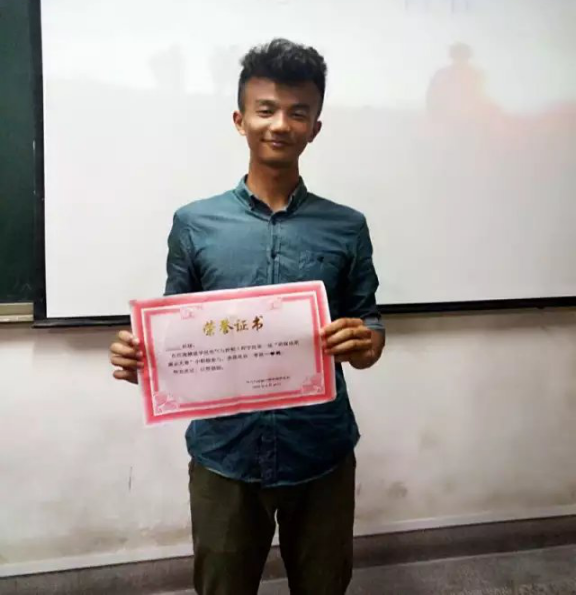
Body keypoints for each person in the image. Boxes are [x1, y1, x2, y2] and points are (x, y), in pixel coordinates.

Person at [109, 38, 385, 595]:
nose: (280, 124)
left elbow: (370, 325)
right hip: (224, 455)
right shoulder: (195, 224)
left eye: (298, 112)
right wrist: (144, 360)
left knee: (325, 586)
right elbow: (175, 330)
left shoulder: (347, 226)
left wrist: (366, 343)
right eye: (266, 110)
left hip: (321, 451)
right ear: (240, 120)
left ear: (315, 127)